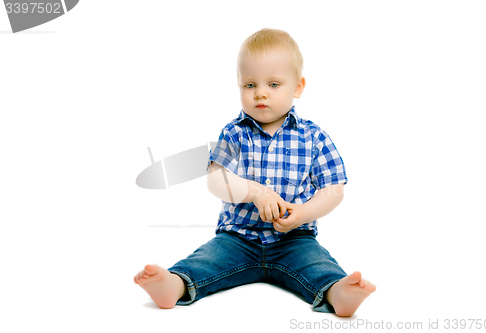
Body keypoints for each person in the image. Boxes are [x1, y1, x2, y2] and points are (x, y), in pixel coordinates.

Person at [133, 28, 376, 317]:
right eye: (249, 85)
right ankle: (174, 285)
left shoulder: (314, 137)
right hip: (238, 237)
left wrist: (305, 213)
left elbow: (333, 189)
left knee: (318, 265)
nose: (260, 92)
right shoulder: (234, 133)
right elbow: (215, 179)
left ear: (298, 87)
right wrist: (255, 192)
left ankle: (337, 292)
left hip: (294, 239)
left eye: (273, 84)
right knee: (206, 260)